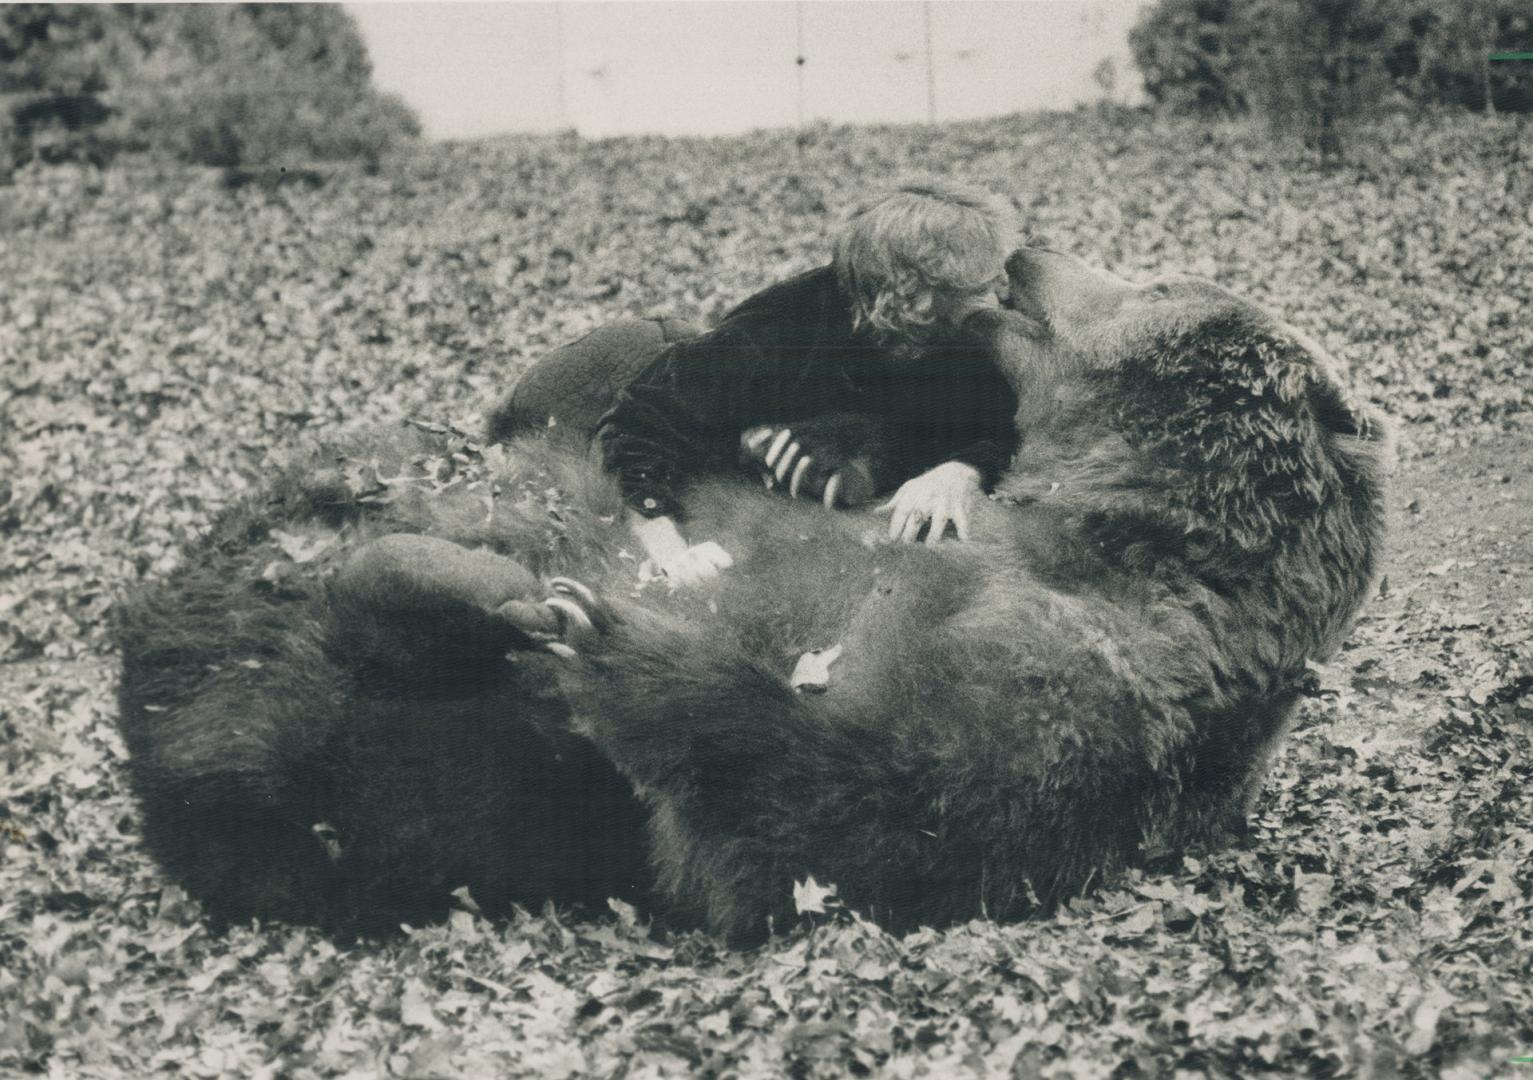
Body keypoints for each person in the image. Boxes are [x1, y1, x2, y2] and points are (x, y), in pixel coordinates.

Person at [597, 182, 1022, 586]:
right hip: (687, 417)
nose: (1005, 290)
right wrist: (670, 550)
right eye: (986, 285)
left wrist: (967, 467)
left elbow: (1017, 418)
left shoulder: (966, 330)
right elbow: (635, 425)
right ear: (914, 296)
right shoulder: (783, 328)